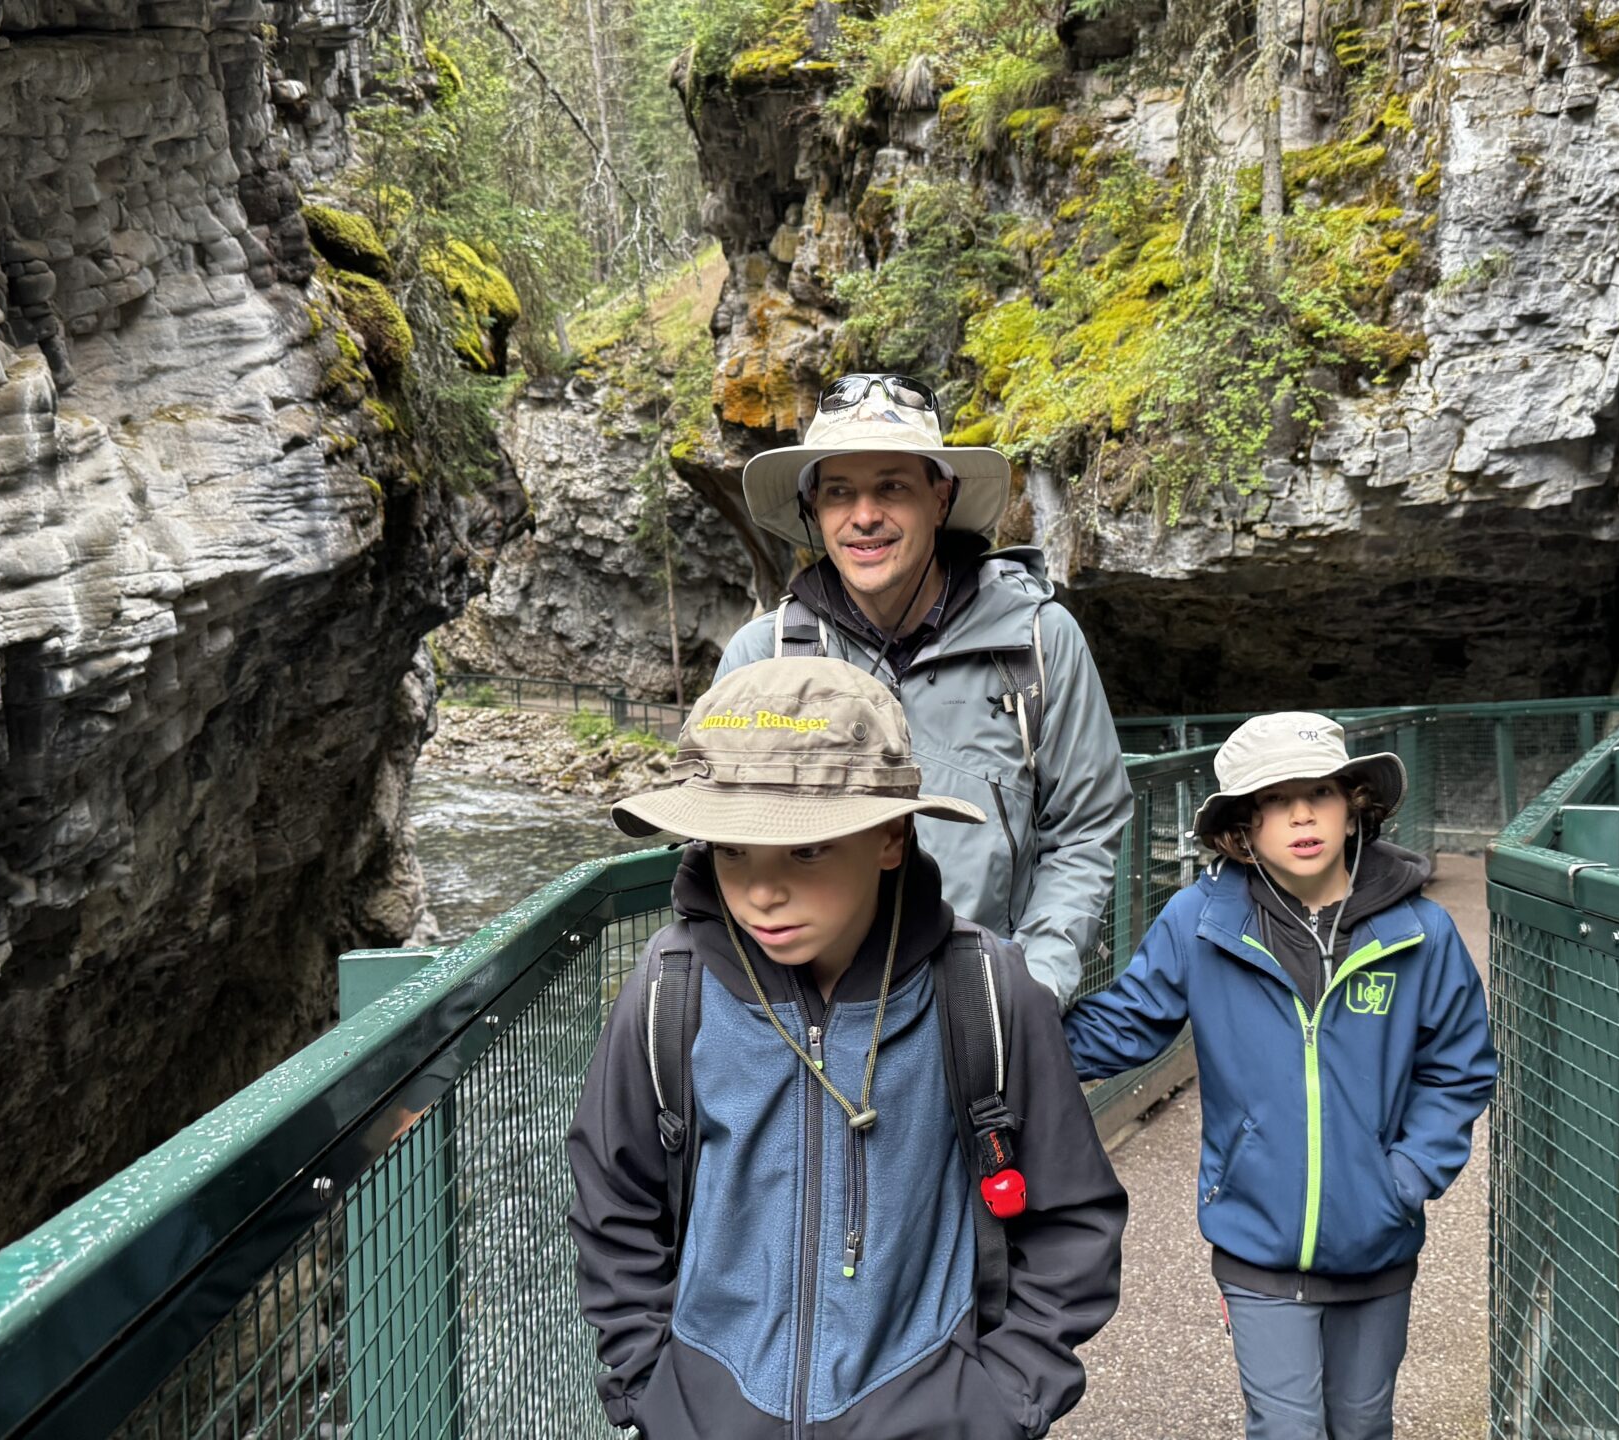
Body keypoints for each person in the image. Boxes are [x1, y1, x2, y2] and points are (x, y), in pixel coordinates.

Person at [568, 657, 1128, 1440]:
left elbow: (1072, 1216)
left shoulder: (985, 990)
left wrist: (1000, 1403)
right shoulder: (670, 990)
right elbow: (614, 1204)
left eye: (805, 850)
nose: (762, 891)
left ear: (891, 836)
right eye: (733, 849)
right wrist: (651, 1389)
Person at [1061, 712, 1497, 1440]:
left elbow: (1459, 1063)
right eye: (1275, 799)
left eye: (1320, 792)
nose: (1301, 814)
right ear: (1243, 828)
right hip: (1257, 1245)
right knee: (1286, 1428)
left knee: (1363, 1426)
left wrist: (1409, 1174)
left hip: (1380, 1243)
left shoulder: (1421, 931)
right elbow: (1127, 1024)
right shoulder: (1201, 922)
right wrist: (1006, 1031)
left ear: (1354, 807)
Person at [714, 372, 1132, 1005]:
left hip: (987, 1009)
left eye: (892, 487)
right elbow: (721, 840)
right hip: (814, 1026)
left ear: (940, 498)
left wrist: (1034, 988)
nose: (864, 516)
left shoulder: (1039, 642)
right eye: (839, 493)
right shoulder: (762, 659)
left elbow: (1085, 826)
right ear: (814, 511)